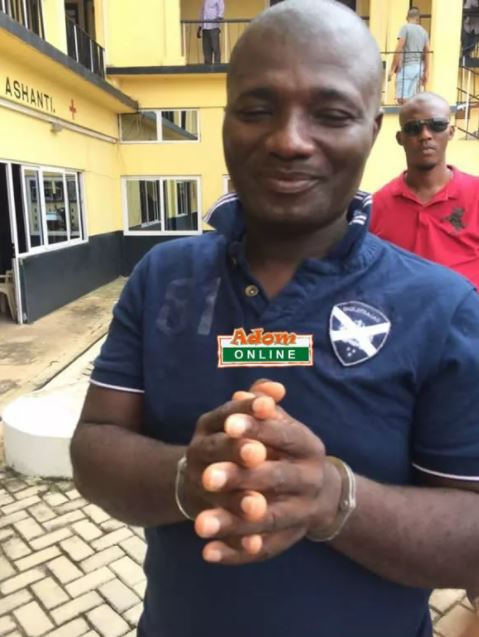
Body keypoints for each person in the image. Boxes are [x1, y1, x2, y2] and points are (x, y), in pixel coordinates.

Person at [70, 2, 479, 637]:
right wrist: (189, 476)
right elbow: (95, 447)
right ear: (228, 121)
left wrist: (331, 498)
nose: (288, 140)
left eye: (331, 114)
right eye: (257, 109)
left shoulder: (443, 306)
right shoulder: (162, 279)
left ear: (373, 131)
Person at [371, 92, 479, 290]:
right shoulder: (378, 206)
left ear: (451, 132)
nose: (426, 135)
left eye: (437, 125)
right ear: (399, 138)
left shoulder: (476, 195)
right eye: (413, 128)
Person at [388, 7, 430, 104]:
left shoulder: (405, 28)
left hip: (406, 68)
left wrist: (392, 69)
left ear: (407, 17)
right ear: (418, 19)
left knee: (401, 99)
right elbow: (427, 51)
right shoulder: (424, 31)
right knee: (412, 99)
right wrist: (426, 71)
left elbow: (399, 48)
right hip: (419, 68)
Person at [197, 0, 224, 64]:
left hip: (214, 27)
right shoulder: (205, 1)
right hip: (205, 28)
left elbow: (221, 8)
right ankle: (207, 68)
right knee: (206, 50)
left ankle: (217, 67)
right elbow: (202, 14)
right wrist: (199, 28)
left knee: (215, 48)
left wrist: (219, 18)